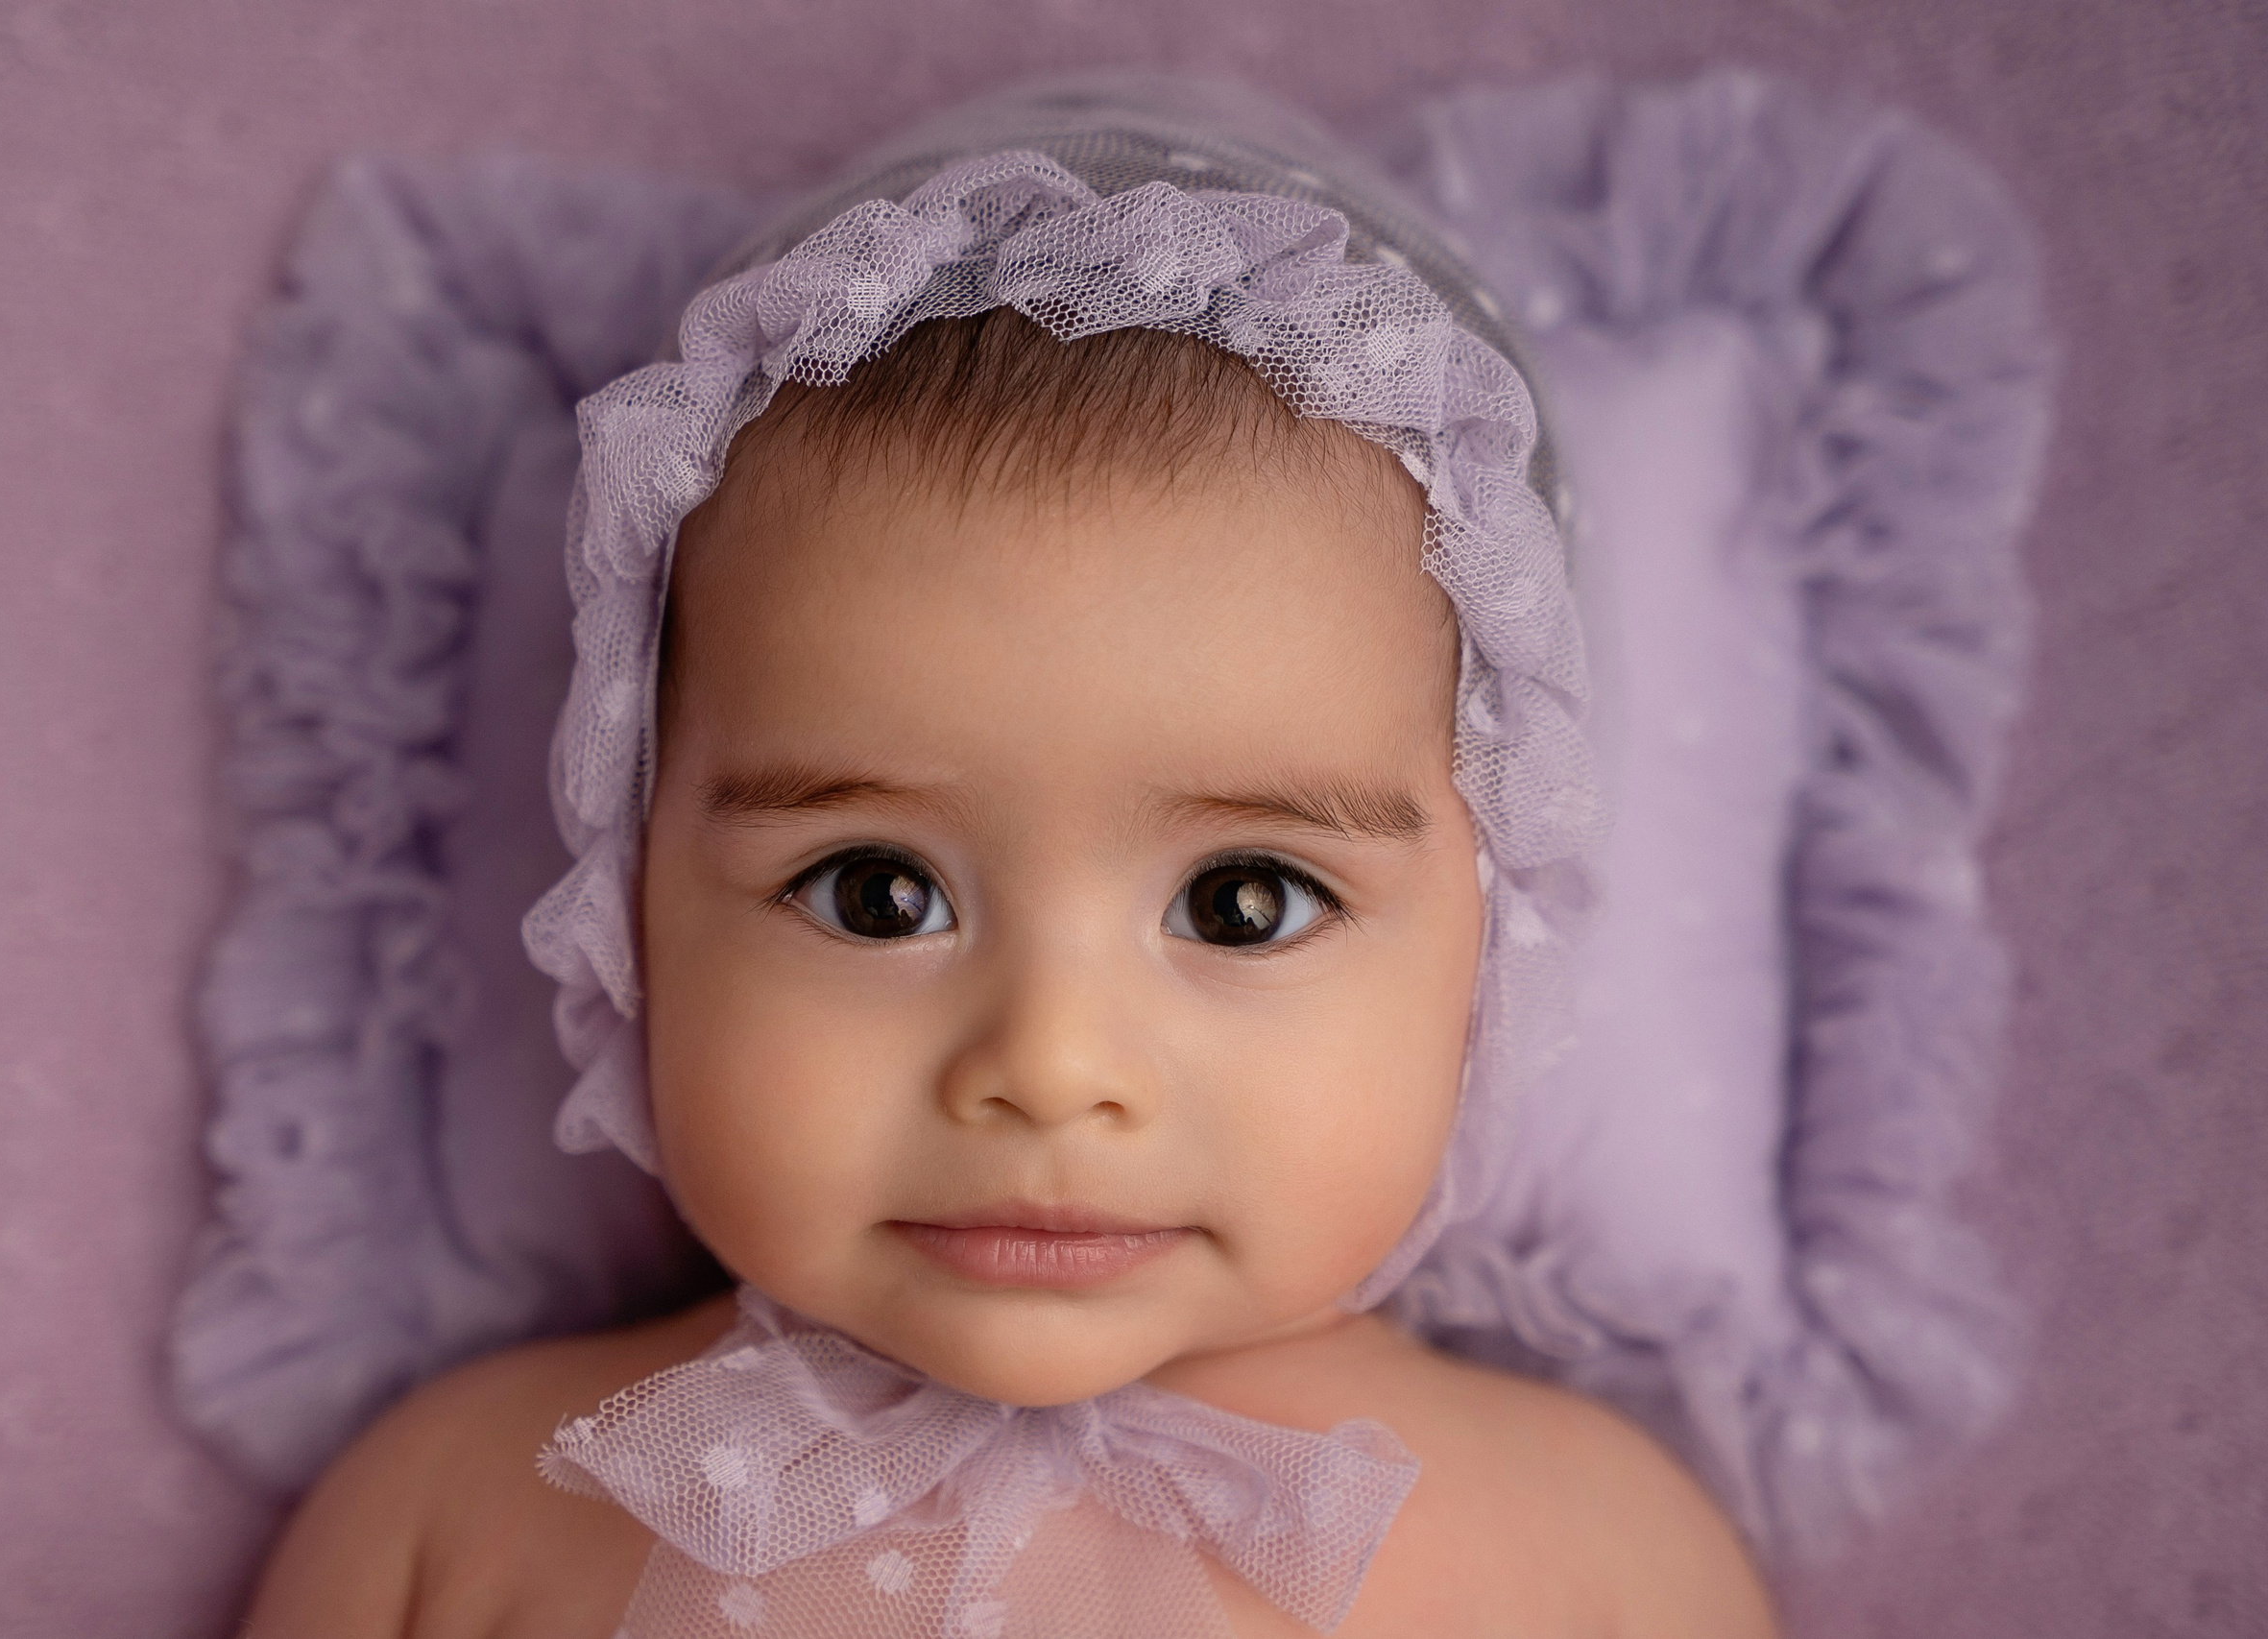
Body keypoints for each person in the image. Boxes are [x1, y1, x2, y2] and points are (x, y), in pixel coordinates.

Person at [244, 84, 1778, 1638]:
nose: (1048, 1068)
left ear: (1492, 933)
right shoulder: (472, 1511)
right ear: (627, 896)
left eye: (1244, 903)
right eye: (874, 894)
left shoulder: (1600, 1563)